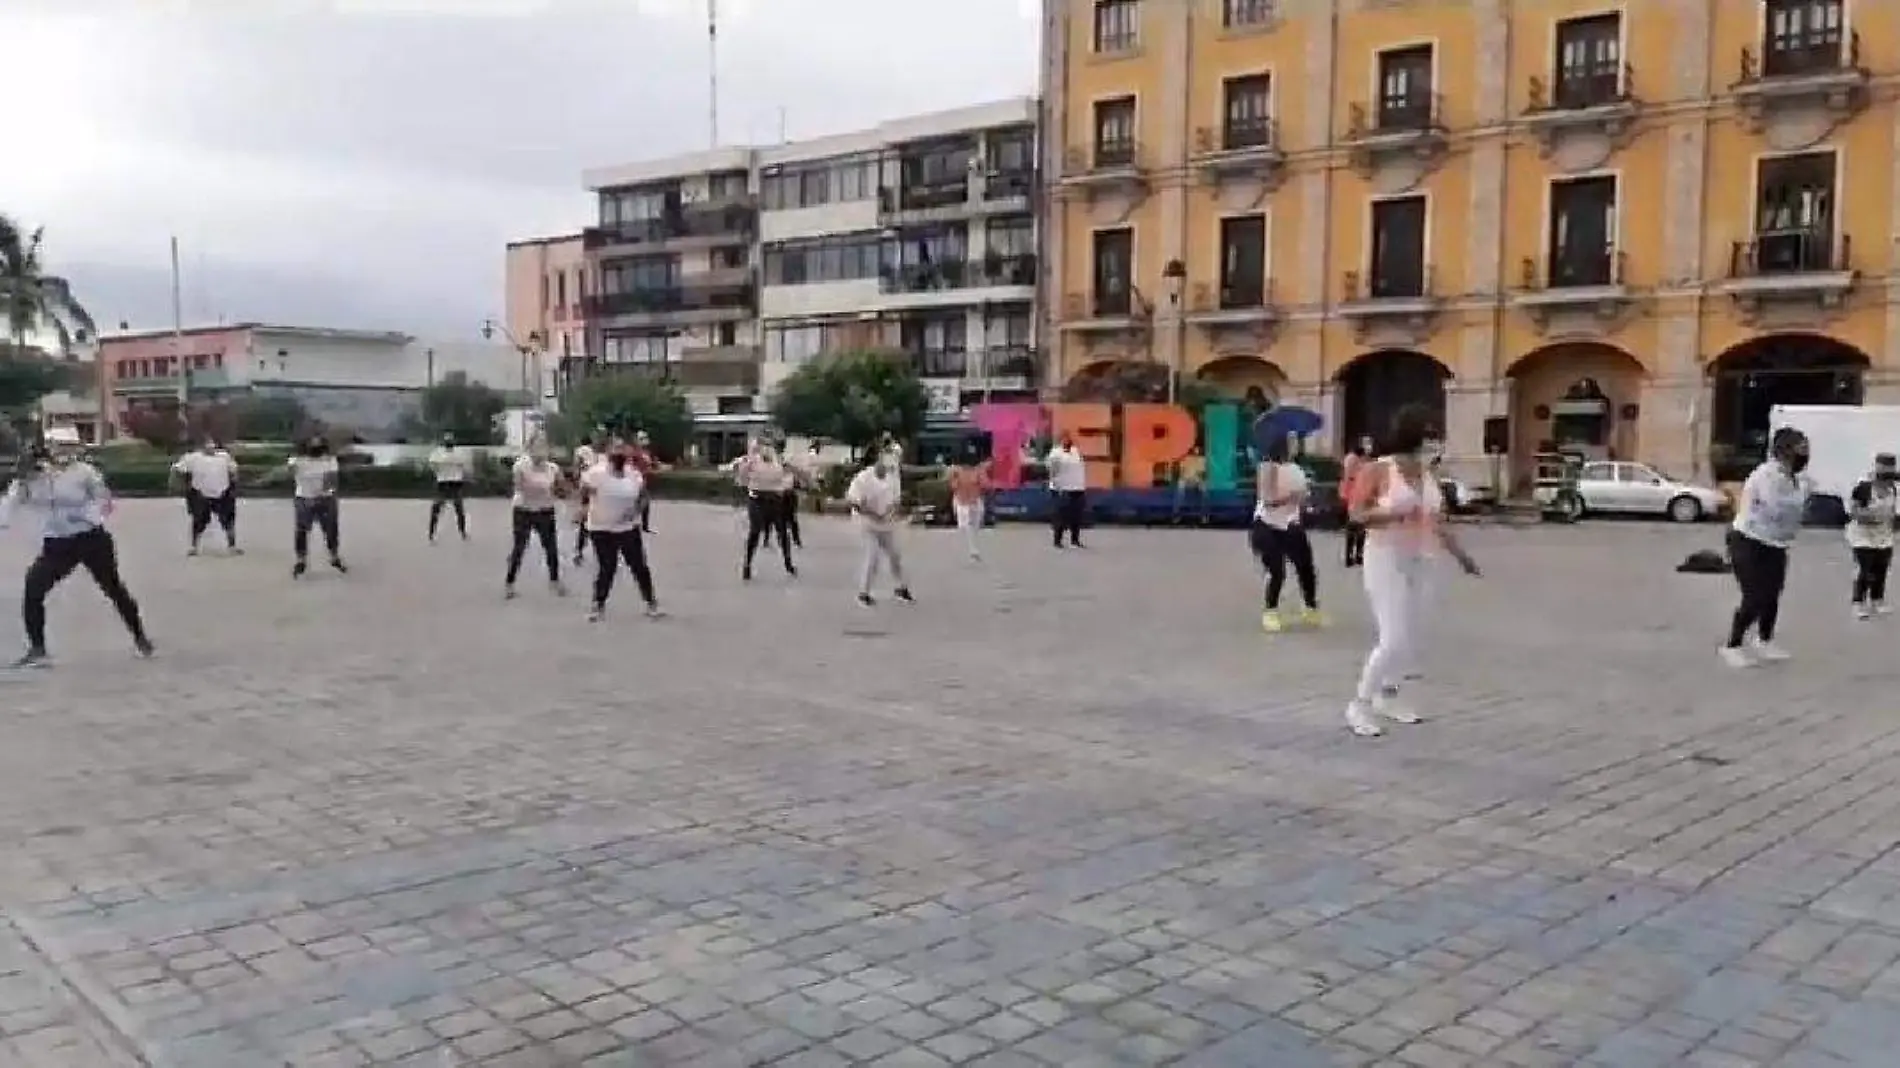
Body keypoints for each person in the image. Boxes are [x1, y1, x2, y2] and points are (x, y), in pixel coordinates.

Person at [1342, 407, 1481, 738]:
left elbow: (1438, 521)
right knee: (1392, 638)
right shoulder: (1379, 470)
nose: (1435, 448)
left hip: (1422, 558)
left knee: (1410, 637)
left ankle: (1388, 696)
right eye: (1430, 440)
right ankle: (1359, 704)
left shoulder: (1428, 474)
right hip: (1385, 556)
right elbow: (1356, 515)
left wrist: (1462, 556)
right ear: (1414, 437)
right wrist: (1390, 513)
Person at [0, 433, 154, 667]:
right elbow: (10, 503)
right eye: (56, 446)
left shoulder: (84, 472)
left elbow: (105, 501)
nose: (61, 451)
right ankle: (38, 649)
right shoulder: (32, 476)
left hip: (91, 538)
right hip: (58, 544)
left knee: (112, 587)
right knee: (33, 588)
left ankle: (140, 637)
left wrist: (88, 517)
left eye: (67, 446)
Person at [1720, 427, 1811, 664]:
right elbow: (1776, 508)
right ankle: (1733, 645)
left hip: (1776, 543)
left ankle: (1764, 640)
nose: (1804, 455)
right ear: (1784, 451)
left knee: (1772, 594)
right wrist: (1799, 503)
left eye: (1805, 449)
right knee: (1754, 595)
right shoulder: (1767, 474)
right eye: (1800, 449)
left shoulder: (1793, 478)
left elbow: (1796, 510)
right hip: (1749, 540)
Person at [578, 445, 661, 621]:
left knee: (639, 566)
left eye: (622, 459)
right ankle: (597, 605)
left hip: (627, 528)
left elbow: (644, 497)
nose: (619, 462)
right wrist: (584, 507)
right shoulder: (596, 474)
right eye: (615, 458)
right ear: (609, 459)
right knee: (607, 567)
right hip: (601, 527)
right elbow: (583, 491)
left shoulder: (633, 475)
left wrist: (636, 510)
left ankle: (650, 602)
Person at [1251, 434, 1320, 632]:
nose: (1295, 447)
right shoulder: (1268, 467)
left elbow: (1303, 499)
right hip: (1267, 523)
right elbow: (1268, 499)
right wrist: (1292, 496)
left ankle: (1310, 607)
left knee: (1306, 566)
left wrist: (1306, 498)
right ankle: (1270, 611)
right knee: (1277, 570)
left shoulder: (1297, 469)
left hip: (1290, 523)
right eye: (1292, 443)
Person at [846, 450, 914, 607]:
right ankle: (864, 593)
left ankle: (901, 587)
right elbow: (854, 501)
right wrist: (873, 514)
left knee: (895, 555)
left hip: (886, 523)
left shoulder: (893, 479)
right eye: (885, 466)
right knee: (873, 556)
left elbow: (896, 501)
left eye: (891, 467)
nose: (888, 470)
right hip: (866, 522)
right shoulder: (864, 478)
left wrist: (892, 513)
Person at [505, 438, 567, 599]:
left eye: (543, 447)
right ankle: (509, 583)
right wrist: (544, 488)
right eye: (536, 447)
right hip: (523, 509)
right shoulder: (520, 466)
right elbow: (520, 487)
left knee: (551, 547)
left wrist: (560, 490)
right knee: (519, 547)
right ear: (529, 449)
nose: (540, 451)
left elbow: (562, 488)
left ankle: (555, 580)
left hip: (545, 510)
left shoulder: (553, 468)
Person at [289, 433, 348, 578]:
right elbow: (290, 471)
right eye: (312, 445)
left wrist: (319, 494)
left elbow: (332, 481)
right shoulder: (297, 460)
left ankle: (334, 556)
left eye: (318, 446)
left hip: (325, 498)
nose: (315, 449)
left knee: (331, 529)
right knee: (302, 530)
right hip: (303, 498)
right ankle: (301, 559)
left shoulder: (330, 460)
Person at [172, 437, 241, 555]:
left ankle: (232, 546)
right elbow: (177, 469)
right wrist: (179, 486)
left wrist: (233, 485)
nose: (211, 447)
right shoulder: (192, 458)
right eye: (208, 445)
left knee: (228, 520)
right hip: (200, 493)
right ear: (202, 447)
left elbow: (233, 471)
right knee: (198, 521)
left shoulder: (224, 457)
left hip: (222, 492)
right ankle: (194, 547)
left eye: (212, 445)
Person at [1848, 453, 1897, 619]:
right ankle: (1858, 602)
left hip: (1884, 536)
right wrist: (1869, 516)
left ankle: (1877, 600)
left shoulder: (1893, 490)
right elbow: (1854, 511)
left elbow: (1891, 513)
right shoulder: (1864, 488)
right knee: (1865, 570)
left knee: (1881, 569)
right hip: (1863, 537)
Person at [739, 444, 796, 581]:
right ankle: (747, 564)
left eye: (770, 448)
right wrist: (748, 466)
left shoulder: (779, 462)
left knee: (782, 531)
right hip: (757, 498)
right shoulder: (753, 461)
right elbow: (742, 476)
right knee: (755, 531)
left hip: (775, 499)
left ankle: (788, 563)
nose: (767, 451)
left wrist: (784, 488)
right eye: (764, 448)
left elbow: (789, 477)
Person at [1046, 434, 1088, 548]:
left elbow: (1080, 467)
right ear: (1060, 441)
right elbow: (1051, 470)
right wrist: (1056, 484)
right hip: (1062, 488)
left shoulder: (1076, 451)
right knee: (1060, 516)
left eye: (1069, 439)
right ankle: (1057, 541)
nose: (1067, 441)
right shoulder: (1055, 453)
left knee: (1077, 515)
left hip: (1077, 487)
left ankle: (1075, 540)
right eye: (1065, 439)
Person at [948, 453, 991, 560]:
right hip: (961, 502)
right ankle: (972, 549)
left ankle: (973, 547)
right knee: (964, 525)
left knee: (976, 524)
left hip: (975, 501)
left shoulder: (978, 471)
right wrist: (955, 477)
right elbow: (953, 486)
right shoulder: (957, 472)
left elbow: (986, 485)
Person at [426, 433, 469, 542]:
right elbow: (433, 465)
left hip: (452, 482)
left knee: (458, 509)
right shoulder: (440, 453)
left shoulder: (454, 454)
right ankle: (432, 532)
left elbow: (433, 465)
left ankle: (462, 531)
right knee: (438, 508)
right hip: (445, 482)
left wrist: (439, 471)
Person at [569, 432, 602, 565]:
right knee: (594, 515)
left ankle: (579, 549)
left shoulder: (579, 451)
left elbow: (576, 467)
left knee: (585, 516)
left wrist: (575, 481)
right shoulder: (595, 453)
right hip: (596, 485)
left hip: (585, 485)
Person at [1340, 436, 1373, 567]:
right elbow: (1350, 477)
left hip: (1359, 494)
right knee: (1355, 525)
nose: (1369, 447)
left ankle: (1358, 555)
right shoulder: (1353, 459)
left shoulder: (1363, 460)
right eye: (1367, 445)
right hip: (1355, 494)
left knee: (1359, 526)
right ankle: (1351, 555)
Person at [627, 430, 666, 534]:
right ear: (637, 440)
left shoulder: (646, 452)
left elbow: (652, 463)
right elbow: (630, 466)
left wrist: (656, 467)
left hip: (646, 479)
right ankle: (632, 521)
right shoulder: (634, 452)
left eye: (645, 438)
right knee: (642, 501)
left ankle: (644, 525)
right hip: (637, 479)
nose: (645, 441)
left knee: (645, 503)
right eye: (642, 438)